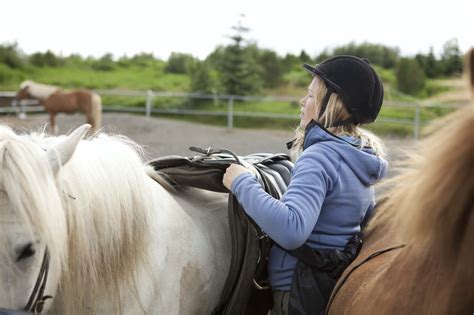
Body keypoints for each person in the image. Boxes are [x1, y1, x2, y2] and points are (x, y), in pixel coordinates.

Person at [223, 55, 388, 314]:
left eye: (311, 95)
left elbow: (292, 229)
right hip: (330, 284)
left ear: (332, 103)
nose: (302, 101)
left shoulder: (319, 156)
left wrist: (241, 182)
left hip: (298, 289)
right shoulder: (361, 159)